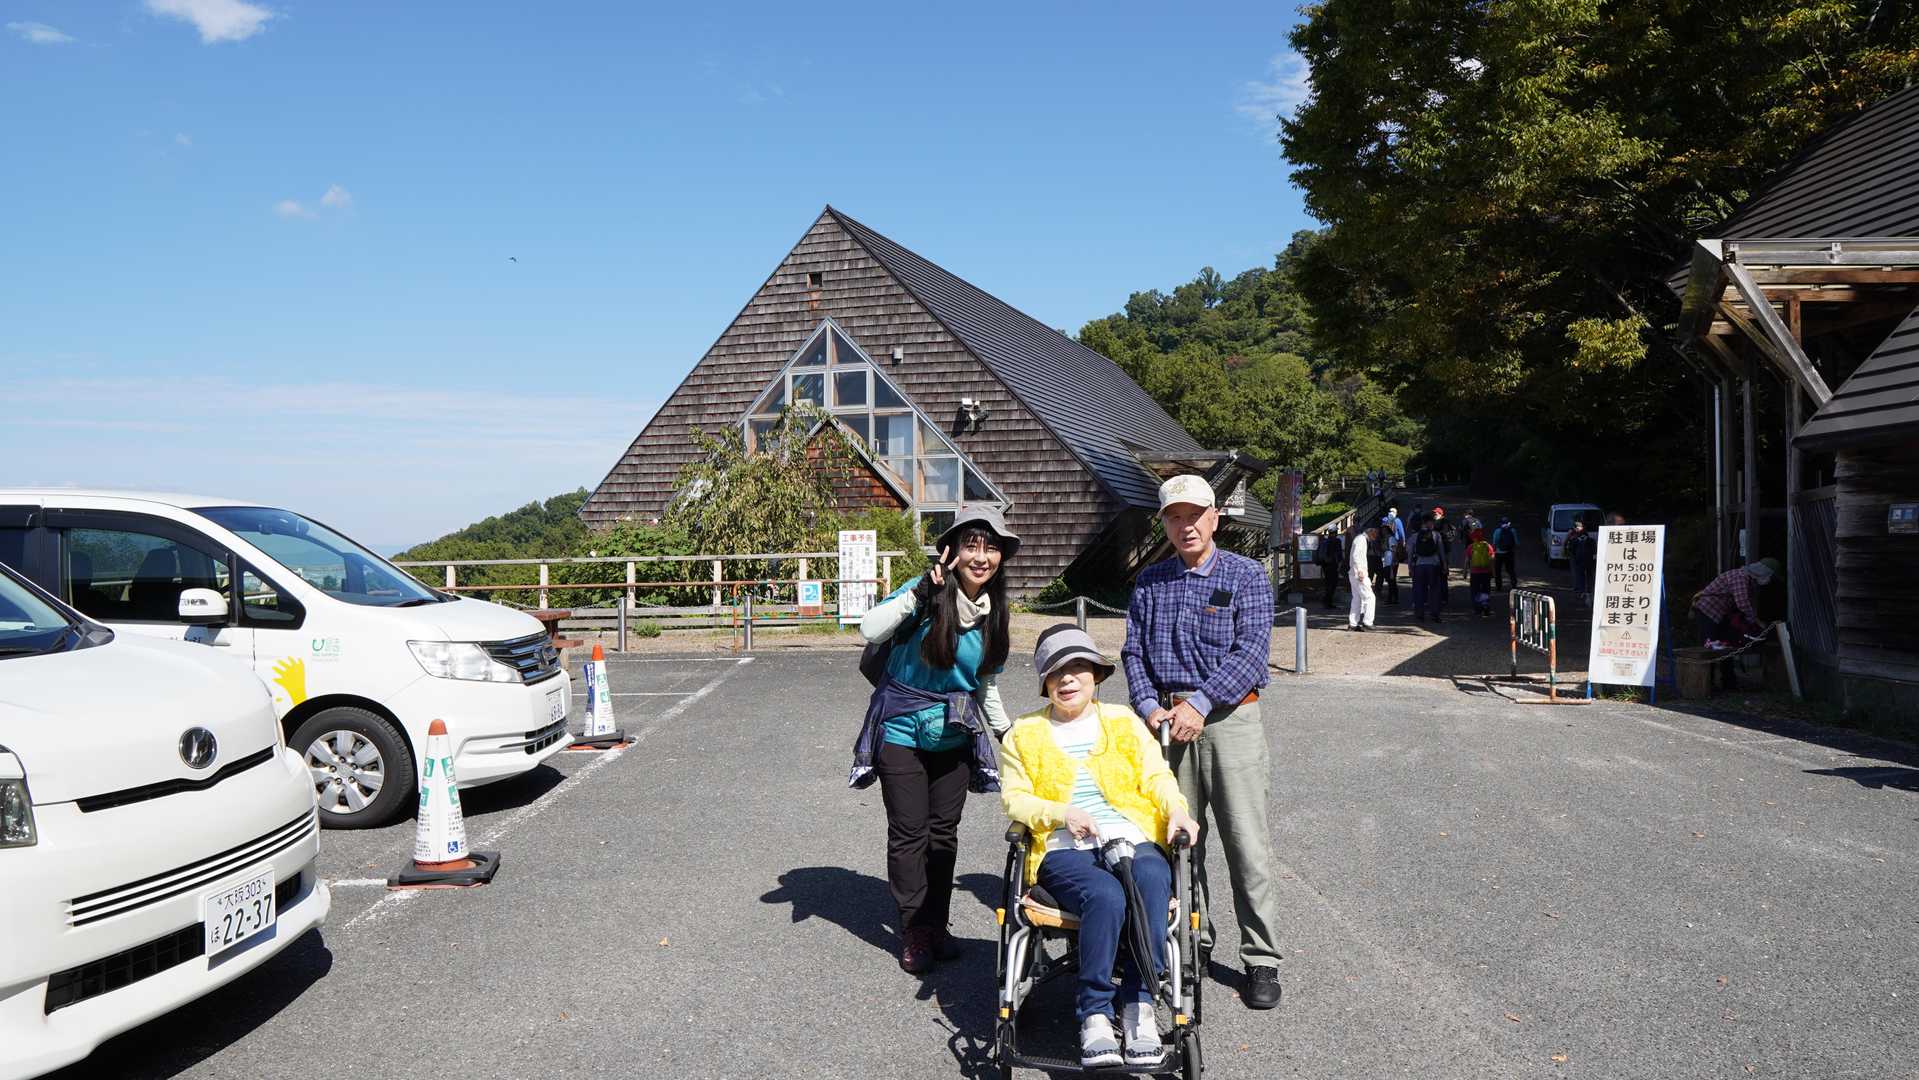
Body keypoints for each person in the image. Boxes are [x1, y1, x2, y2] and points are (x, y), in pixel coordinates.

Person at [1000, 626, 1202, 1069]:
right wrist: (1061, 812)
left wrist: (1177, 811)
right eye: (1057, 672)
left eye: (1078, 668)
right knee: (1106, 896)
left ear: (1096, 675)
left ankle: (1139, 1005)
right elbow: (1014, 799)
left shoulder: (1122, 722)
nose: (1068, 679)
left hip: (1131, 836)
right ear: (1045, 681)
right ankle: (1094, 1013)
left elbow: (1156, 776)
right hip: (1063, 847)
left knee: (1151, 876)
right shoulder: (1024, 733)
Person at [1121, 474, 1283, 1011]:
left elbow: (1251, 652)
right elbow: (1133, 652)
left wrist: (1201, 703)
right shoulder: (1150, 581)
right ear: (1164, 523)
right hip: (1165, 723)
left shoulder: (1246, 574)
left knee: (1246, 844)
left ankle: (1261, 958)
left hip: (1230, 719)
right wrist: (1148, 705)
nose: (1185, 525)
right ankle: (1193, 941)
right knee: (1179, 842)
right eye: (1174, 516)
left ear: (1215, 517)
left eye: (1195, 515)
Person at [851, 505, 1017, 974]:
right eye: (971, 546)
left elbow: (985, 684)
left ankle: (936, 924)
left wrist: (1007, 733)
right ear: (952, 551)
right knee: (910, 833)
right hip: (901, 727)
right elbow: (869, 628)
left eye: (991, 548)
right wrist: (921, 592)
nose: (981, 557)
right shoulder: (925, 589)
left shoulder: (993, 611)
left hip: (954, 733)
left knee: (943, 835)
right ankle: (915, 928)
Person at [1692, 558, 1777, 645]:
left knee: (1724, 640)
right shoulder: (1740, 577)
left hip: (1719, 612)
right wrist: (1755, 622)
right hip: (1708, 609)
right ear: (1763, 573)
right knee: (1710, 642)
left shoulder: (1749, 581)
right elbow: (1742, 603)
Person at [1409, 515, 1445, 622]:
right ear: (1429, 523)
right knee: (1435, 590)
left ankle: (1420, 614)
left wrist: (1410, 567)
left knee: (1419, 589)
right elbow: (1441, 551)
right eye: (1432, 522)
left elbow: (1410, 553)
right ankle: (1435, 614)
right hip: (1434, 565)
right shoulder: (1436, 535)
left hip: (1419, 566)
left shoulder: (1414, 536)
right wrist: (1445, 564)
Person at [1348, 525, 1377, 631]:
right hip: (1359, 573)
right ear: (1371, 533)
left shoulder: (1359, 539)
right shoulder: (1362, 540)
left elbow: (1355, 556)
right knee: (1370, 597)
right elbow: (1356, 556)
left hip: (1353, 573)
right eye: (1374, 535)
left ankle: (1353, 623)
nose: (1374, 538)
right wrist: (1360, 570)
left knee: (1357, 598)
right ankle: (1367, 622)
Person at [1567, 518, 1598, 608]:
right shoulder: (1590, 540)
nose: (1576, 529)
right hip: (1588, 562)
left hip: (1581, 561)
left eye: (1577, 528)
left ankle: (1583, 592)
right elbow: (1594, 552)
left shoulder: (1575, 540)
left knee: (1581, 576)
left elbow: (1571, 551)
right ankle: (1588, 592)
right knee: (1588, 576)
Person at [1466, 528, 1496, 619]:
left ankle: (1477, 609)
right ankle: (1485, 607)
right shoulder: (1487, 546)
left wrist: (1465, 572)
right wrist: (1493, 572)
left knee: (1475, 591)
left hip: (1475, 572)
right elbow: (1492, 559)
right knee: (1485, 590)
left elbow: (1467, 561)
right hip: (1486, 572)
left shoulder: (1471, 547)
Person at [1317, 527, 1345, 610]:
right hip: (1333, 565)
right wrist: (1340, 565)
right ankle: (1328, 602)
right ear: (1335, 532)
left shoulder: (1324, 541)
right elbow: (1339, 555)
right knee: (1333, 584)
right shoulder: (1337, 541)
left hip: (1325, 565)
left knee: (1328, 583)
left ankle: (1327, 601)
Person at [1376, 515, 1400, 604]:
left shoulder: (1391, 538)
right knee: (1390, 581)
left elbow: (1394, 551)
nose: (1383, 531)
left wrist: (1393, 562)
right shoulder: (1386, 539)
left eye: (1384, 529)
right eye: (1382, 529)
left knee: (1391, 580)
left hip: (1391, 561)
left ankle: (1392, 598)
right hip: (1387, 561)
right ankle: (1393, 598)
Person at [1490, 516, 1519, 591]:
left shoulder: (1497, 531)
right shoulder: (1512, 530)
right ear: (1508, 523)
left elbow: (1494, 543)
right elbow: (1516, 542)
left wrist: (1493, 552)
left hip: (1499, 553)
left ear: (1500, 523)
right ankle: (1514, 585)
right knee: (1511, 570)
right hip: (1509, 553)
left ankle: (1498, 586)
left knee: (1498, 570)